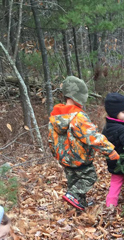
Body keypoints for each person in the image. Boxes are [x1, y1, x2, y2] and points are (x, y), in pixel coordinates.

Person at [48, 76, 119, 211]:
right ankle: (73, 195)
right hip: (80, 158)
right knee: (90, 177)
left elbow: (52, 139)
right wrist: (109, 150)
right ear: (76, 97)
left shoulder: (55, 116)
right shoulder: (78, 117)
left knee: (73, 181)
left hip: (65, 158)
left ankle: (79, 206)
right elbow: (92, 136)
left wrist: (57, 155)